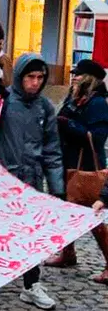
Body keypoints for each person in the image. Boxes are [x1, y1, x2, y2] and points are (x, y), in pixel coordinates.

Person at [0, 54, 62, 310]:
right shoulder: (3, 101)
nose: (34, 82)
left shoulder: (45, 108)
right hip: (1, 181)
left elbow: (52, 150)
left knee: (31, 235)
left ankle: (31, 285)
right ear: (20, 77)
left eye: (40, 78)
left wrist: (57, 189)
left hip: (31, 181)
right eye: (30, 77)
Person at [49, 59, 108, 270]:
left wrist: (69, 124)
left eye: (79, 74)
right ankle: (68, 253)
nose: (74, 77)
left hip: (88, 167)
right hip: (69, 161)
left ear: (90, 79)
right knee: (66, 210)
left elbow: (98, 137)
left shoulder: (98, 102)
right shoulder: (74, 98)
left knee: (93, 217)